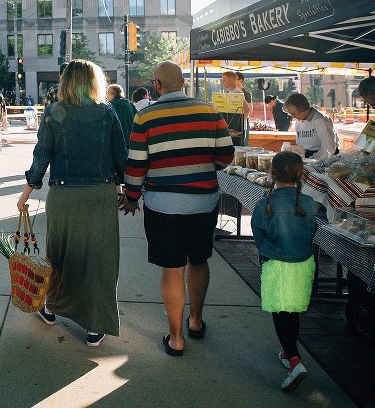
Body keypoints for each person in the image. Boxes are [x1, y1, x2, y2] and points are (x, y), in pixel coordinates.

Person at [122, 61, 234, 357]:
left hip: (162, 206)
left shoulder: (145, 116)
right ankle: (195, 322)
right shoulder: (210, 111)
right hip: (203, 203)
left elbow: (136, 164)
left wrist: (132, 197)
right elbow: (226, 157)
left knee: (172, 270)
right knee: (198, 261)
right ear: (183, 83)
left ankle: (176, 339)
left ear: (157, 85)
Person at [18, 59, 127, 347]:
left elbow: (42, 155)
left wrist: (26, 194)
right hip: (101, 195)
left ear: (66, 81)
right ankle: (95, 326)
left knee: (61, 255)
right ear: (95, 82)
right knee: (99, 260)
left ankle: (52, 308)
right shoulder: (108, 113)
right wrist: (134, 191)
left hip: (64, 196)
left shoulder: (54, 112)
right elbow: (121, 156)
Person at [250, 152, 317, 392]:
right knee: (293, 310)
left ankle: (294, 360)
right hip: (302, 263)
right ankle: (289, 354)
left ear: (272, 174)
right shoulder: (308, 203)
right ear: (301, 175)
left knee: (281, 312)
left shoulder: (264, 204)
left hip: (276, 264)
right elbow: (313, 231)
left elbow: (258, 237)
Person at [284, 93, 339, 159]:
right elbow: (300, 146)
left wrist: (311, 159)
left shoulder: (321, 120)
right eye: (291, 114)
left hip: (323, 158)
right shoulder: (298, 121)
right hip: (307, 156)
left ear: (303, 109)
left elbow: (329, 149)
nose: (293, 116)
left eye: (294, 113)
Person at [221, 71, 251, 146]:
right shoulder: (230, 92)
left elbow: (247, 109)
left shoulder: (237, 92)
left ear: (231, 80)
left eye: (224, 79)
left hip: (237, 129)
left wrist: (241, 122)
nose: (222, 82)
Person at [106, 83, 136, 147]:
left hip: (117, 143)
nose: (106, 96)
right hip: (131, 142)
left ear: (113, 94)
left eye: (107, 93)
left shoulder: (109, 107)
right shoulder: (131, 106)